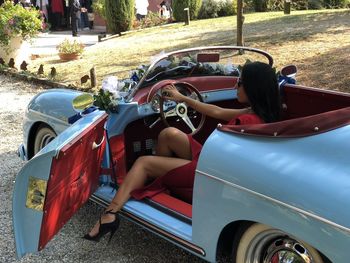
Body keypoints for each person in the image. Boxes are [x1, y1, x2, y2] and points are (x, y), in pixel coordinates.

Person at [83, 61, 281, 242]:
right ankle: (158, 183)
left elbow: (220, 144)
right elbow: (217, 112)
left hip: (211, 170)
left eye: (240, 82)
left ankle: (109, 214)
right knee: (168, 133)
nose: (235, 86)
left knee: (142, 162)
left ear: (253, 88)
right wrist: (182, 98)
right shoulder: (258, 113)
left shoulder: (245, 121)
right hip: (219, 162)